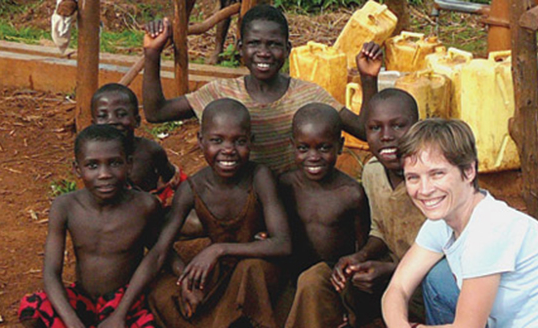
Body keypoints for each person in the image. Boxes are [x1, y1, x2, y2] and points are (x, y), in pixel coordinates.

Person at [383, 119, 538, 328]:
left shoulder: (489, 230)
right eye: (413, 177)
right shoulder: (443, 219)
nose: (424, 189)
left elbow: (467, 327)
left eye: (437, 174)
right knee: (440, 278)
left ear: (469, 171)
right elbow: (397, 288)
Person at [141, 4, 383, 175]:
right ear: (240, 48)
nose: (264, 53)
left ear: (288, 50)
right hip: (242, 196)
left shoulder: (308, 96)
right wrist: (152, 53)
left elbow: (363, 130)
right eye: (254, 43)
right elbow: (156, 112)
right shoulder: (221, 93)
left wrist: (368, 78)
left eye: (274, 45)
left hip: (293, 197)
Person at [136, 99, 292, 328]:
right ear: (201, 141)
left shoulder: (260, 177)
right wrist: (185, 280)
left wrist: (218, 249)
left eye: (239, 141)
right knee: (161, 292)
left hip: (256, 273)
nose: (228, 150)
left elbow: (283, 244)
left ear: (252, 141)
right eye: (217, 141)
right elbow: (160, 250)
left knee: (251, 270)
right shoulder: (192, 189)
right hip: (218, 276)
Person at [284, 89, 429, 328]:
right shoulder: (373, 172)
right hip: (386, 282)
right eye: (374, 128)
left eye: (398, 126)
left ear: (418, 127)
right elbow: (379, 231)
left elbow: (447, 255)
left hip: (426, 291)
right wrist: (358, 258)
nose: (386, 137)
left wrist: (391, 271)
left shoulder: (433, 179)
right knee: (316, 279)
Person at [18, 124, 162, 328]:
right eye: (93, 166)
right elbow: (51, 272)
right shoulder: (65, 206)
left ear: (129, 164)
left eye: (114, 163)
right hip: (81, 298)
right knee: (33, 310)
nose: (104, 174)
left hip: (125, 301)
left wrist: (120, 315)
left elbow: (158, 253)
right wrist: (72, 322)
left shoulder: (145, 206)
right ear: (77, 169)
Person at [91, 83, 187, 207]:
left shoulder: (150, 151)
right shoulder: (90, 155)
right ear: (93, 124)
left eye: (121, 114)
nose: (112, 121)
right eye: (103, 116)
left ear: (137, 121)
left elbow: (174, 179)